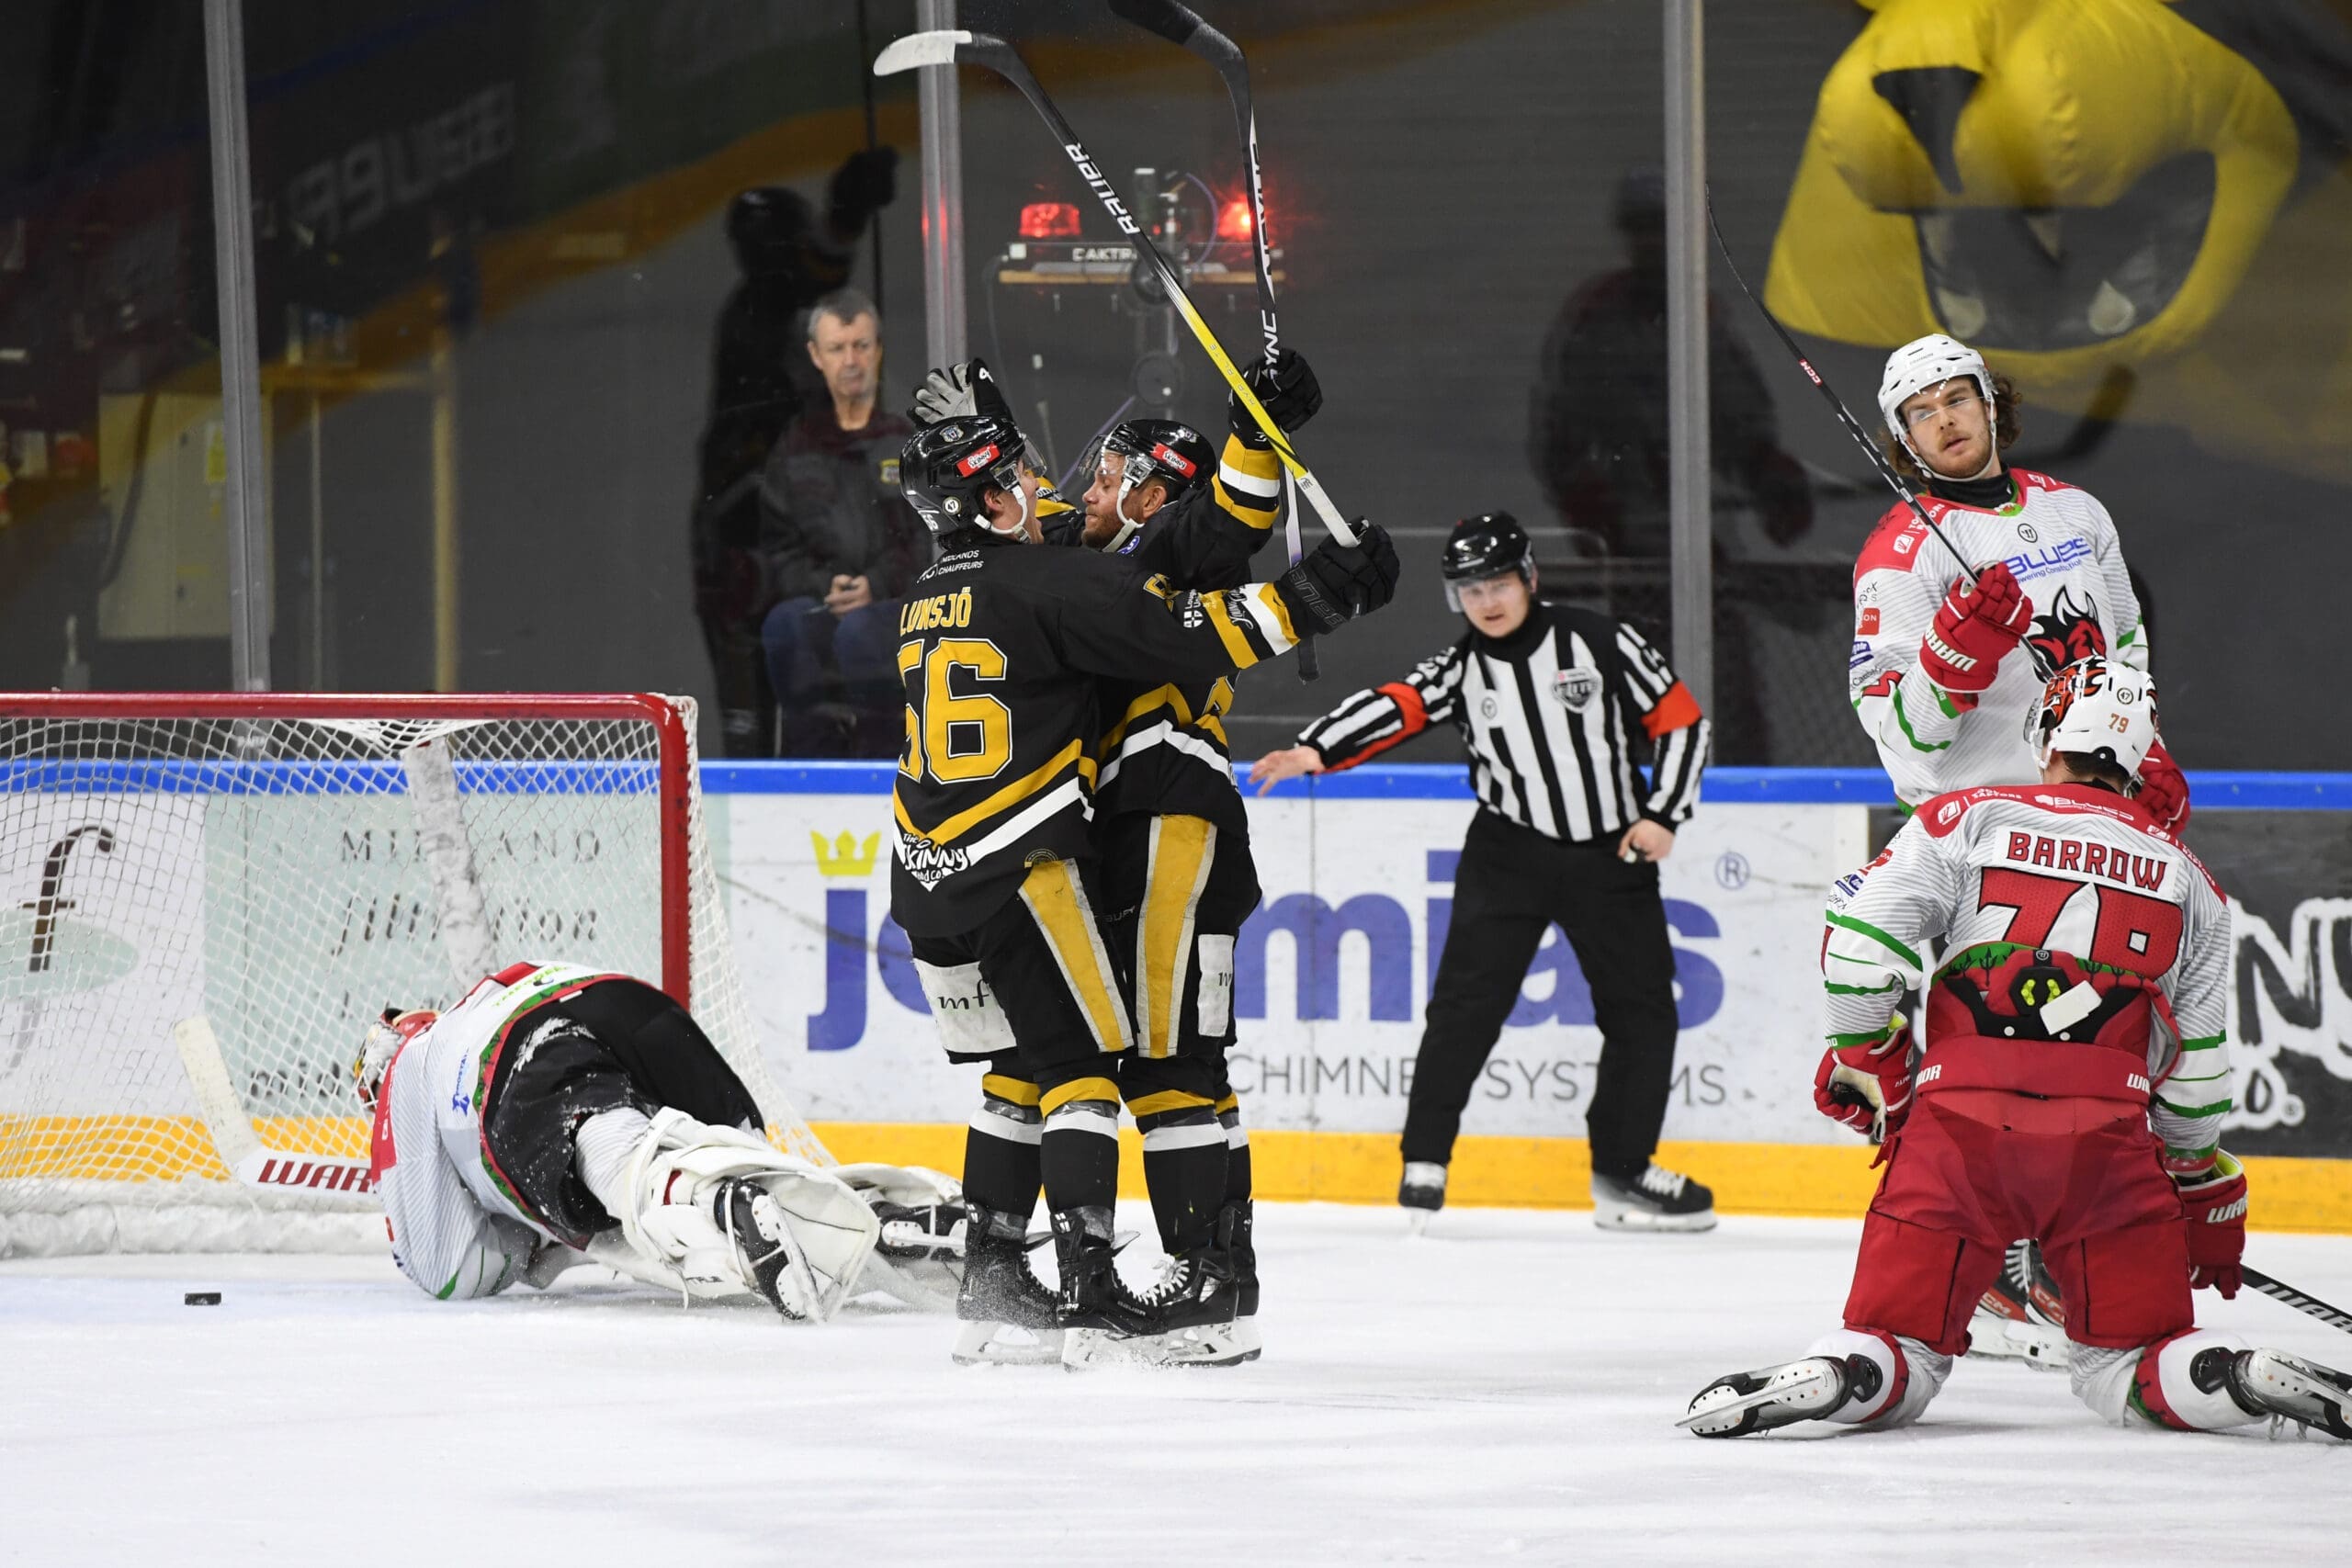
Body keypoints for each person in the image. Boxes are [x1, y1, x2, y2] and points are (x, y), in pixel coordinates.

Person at [1681, 659, 2351, 1443]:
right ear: (2140, 758)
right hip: (2106, 1145)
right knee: (2131, 1358)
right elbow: (2197, 1079)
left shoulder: (1968, 816)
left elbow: (1859, 947)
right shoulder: (2190, 879)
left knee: (1899, 1341)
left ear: (2045, 736)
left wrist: (1871, 1053)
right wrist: (2197, 1185)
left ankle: (1844, 1371)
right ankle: (2225, 1376)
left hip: (1958, 1129)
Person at [889, 411, 1399, 1366]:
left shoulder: (1137, 553)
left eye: (1105, 476)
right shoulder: (1062, 566)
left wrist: (1256, 434)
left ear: (1153, 494)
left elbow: (1221, 523)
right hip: (1070, 848)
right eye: (1041, 482)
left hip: (1159, 821)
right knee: (1078, 1064)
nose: (1072, 491)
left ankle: (1203, 1292)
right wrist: (1310, 596)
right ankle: (1067, 1290)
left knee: (1164, 1062)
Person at [1854, 331, 2190, 1366]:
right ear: (1903, 440)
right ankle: (1990, 1269)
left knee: (2097, 1057)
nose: (1945, 421)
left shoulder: (2073, 512)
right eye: (1921, 413)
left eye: (1958, 399)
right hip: (1982, 838)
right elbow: (1898, 735)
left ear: (1991, 404)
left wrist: (2144, 751)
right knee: (1986, 1063)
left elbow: (2124, 643)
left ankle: (2064, 1254)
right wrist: (1955, 655)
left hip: (2094, 822)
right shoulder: (1897, 556)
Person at [1250, 511, 1716, 1232]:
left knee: (1644, 1013)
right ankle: (1424, 1160)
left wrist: (1664, 813)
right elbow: (1397, 705)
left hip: (1609, 854)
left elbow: (1681, 719)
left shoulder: (1599, 639)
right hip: (1509, 855)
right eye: (1471, 591)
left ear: (1529, 578)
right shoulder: (1464, 669)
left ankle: (1623, 1170)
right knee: (1466, 1007)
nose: (1487, 602)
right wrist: (1315, 749)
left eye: (1498, 583)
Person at [356, 960, 961, 1317]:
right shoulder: (478, 1002)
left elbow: (446, 1269)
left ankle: (710, 1200)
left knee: (614, 1162)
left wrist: (534, 1246)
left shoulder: (407, 1064)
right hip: (628, 1009)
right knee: (765, 1174)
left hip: (521, 1057)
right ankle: (890, 1222)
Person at [691, 155, 898, 754]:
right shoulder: (760, 316)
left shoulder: (773, 310)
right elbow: (815, 276)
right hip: (741, 533)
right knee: (757, 694)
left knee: (800, 691)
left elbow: (817, 278)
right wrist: (844, 220)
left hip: (755, 533)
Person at [756, 288, 926, 757]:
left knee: (861, 633)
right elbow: (777, 549)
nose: (851, 360)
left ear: (878, 349)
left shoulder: (907, 444)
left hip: (896, 610)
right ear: (816, 355)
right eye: (838, 348)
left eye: (861, 345)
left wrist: (876, 585)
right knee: (784, 624)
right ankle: (809, 770)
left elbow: (929, 542)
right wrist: (824, 586)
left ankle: (881, 761)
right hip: (820, 604)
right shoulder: (796, 448)